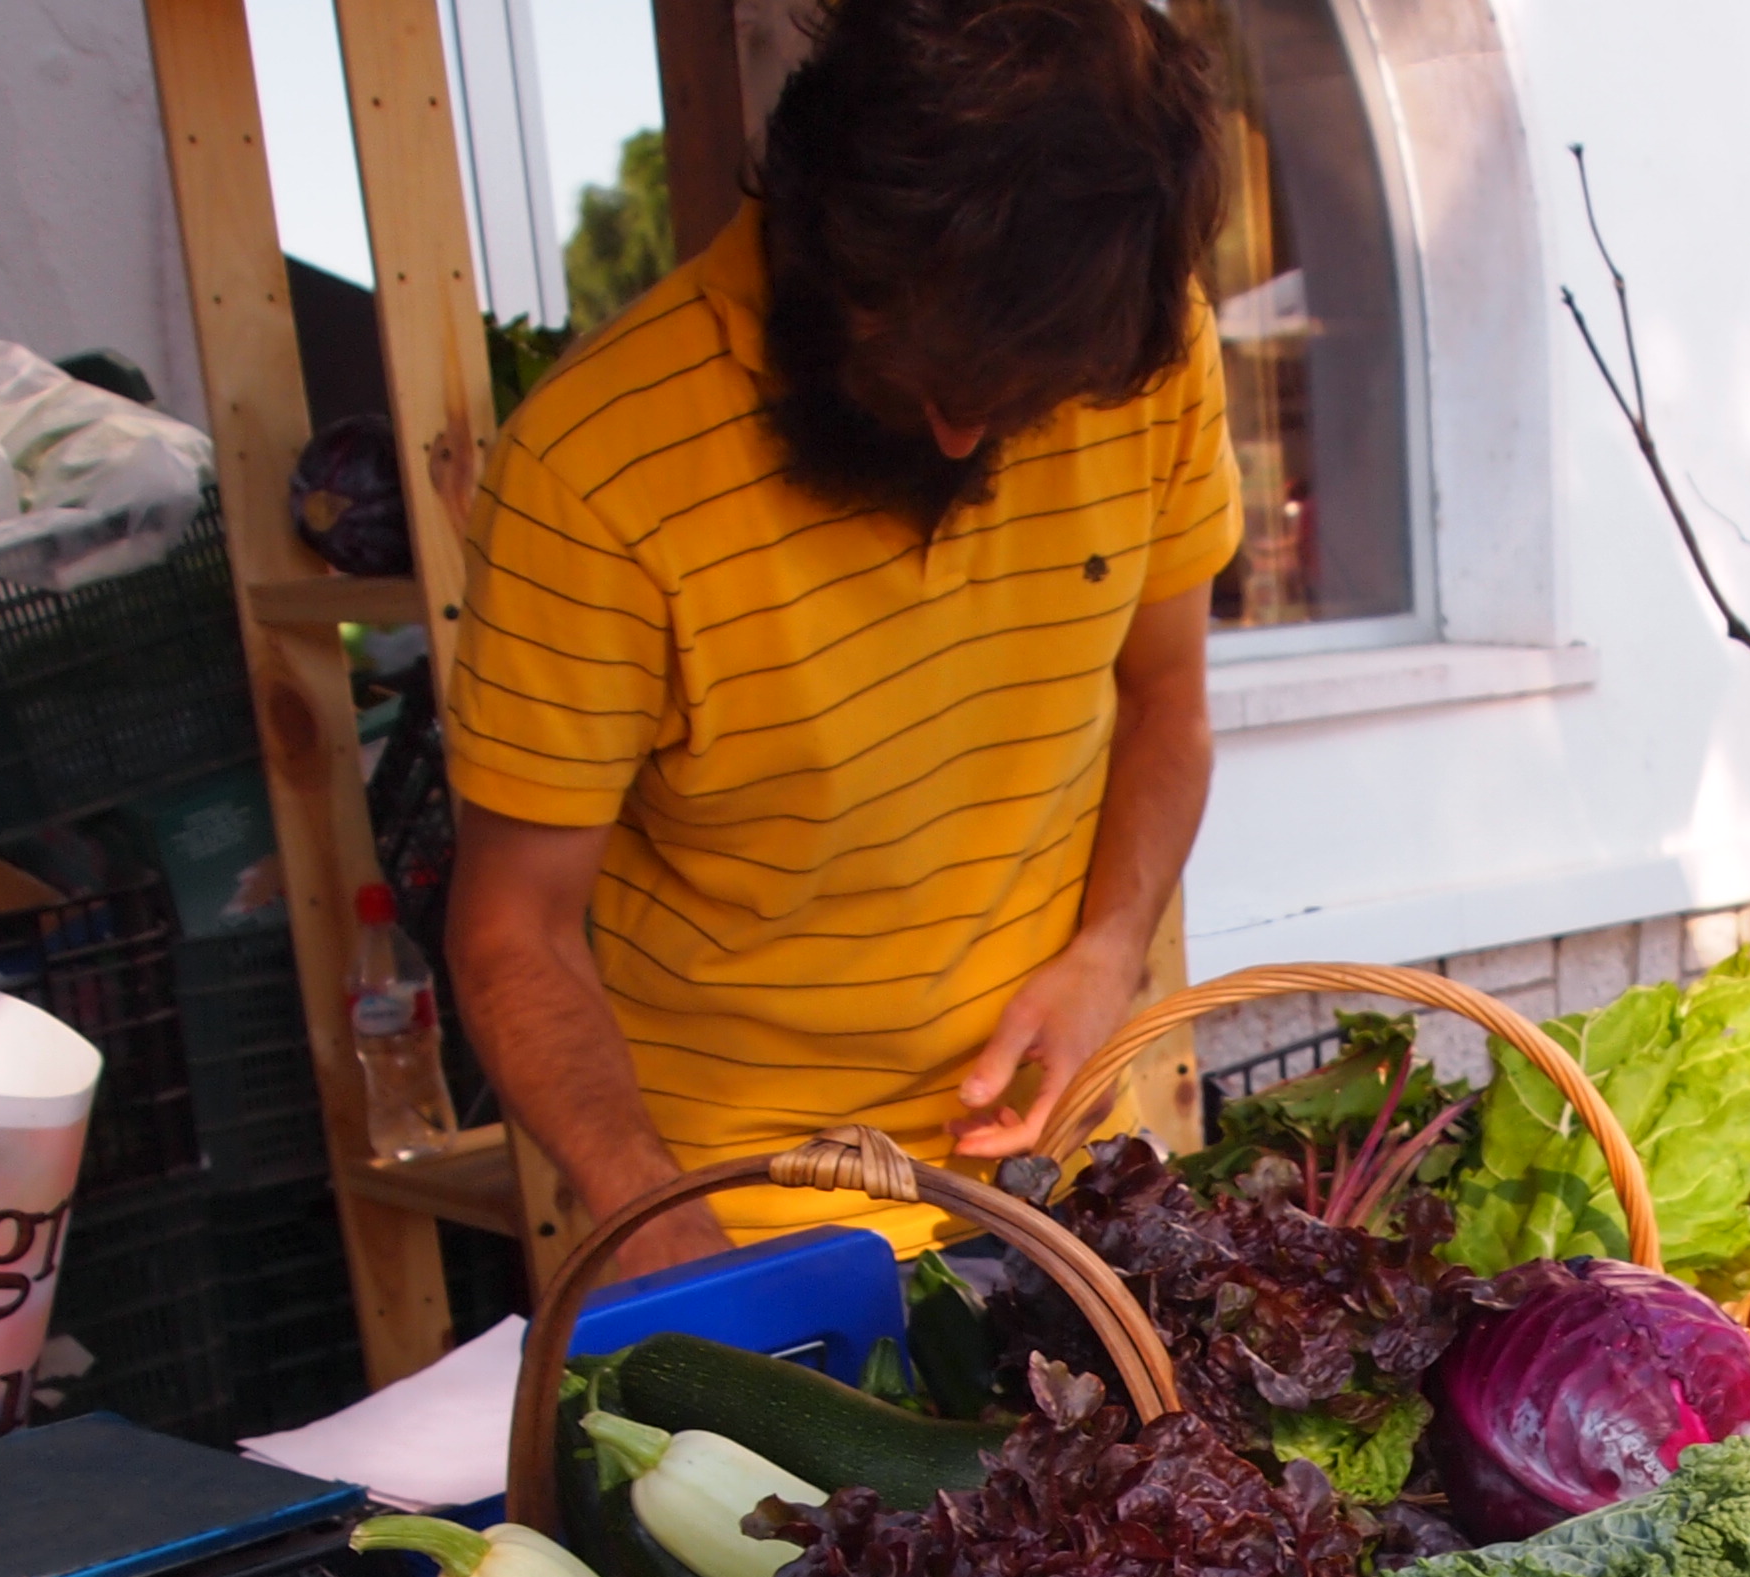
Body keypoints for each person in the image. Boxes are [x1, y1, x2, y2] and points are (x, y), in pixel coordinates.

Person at [438, 0, 1235, 1278]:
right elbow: (511, 931)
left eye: (1019, 404)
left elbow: (1167, 706)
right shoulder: (593, 471)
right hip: (743, 1221)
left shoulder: (1135, 348)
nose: (970, 441)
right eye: (931, 385)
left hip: (1067, 1193)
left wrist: (1106, 953)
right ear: (826, 240)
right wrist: (659, 1222)